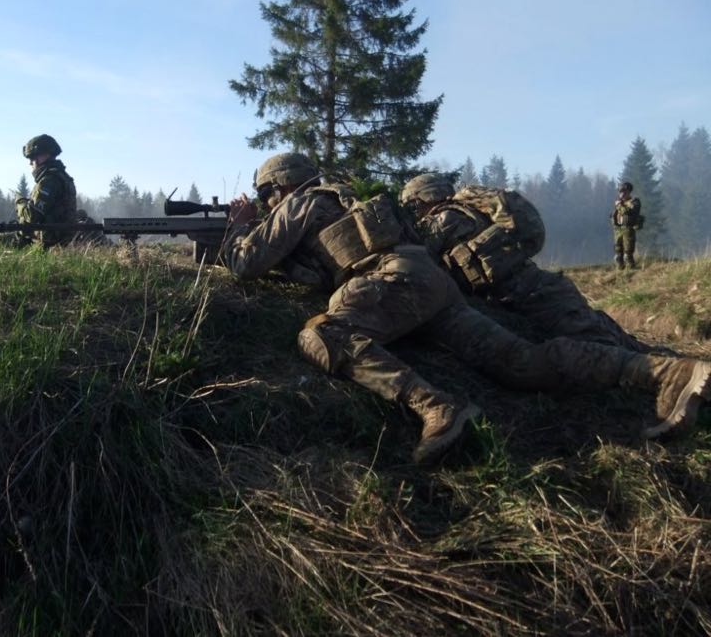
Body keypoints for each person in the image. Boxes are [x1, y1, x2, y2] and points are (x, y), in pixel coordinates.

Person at [224, 153, 710, 464]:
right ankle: (665, 372)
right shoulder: (345, 201)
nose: (268, 204)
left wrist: (240, 225)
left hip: (392, 282)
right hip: (428, 285)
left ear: (279, 188)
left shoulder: (300, 203)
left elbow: (246, 263)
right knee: (523, 363)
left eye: (267, 196)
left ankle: (436, 407)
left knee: (321, 334)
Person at [399, 173, 649, 352]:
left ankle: (660, 370)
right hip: (541, 285)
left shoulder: (444, 220)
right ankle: (653, 355)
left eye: (413, 205)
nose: (414, 212)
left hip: (529, 294)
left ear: (422, 199)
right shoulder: (470, 212)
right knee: (601, 328)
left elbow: (415, 254)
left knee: (601, 346)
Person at [12, 133, 78, 248]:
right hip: (59, 241)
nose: (31, 162)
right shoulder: (62, 177)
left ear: (45, 155)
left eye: (33, 157)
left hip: (48, 244)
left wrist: (20, 202)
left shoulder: (49, 181)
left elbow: (32, 216)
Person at [611, 181, 643, 270]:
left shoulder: (634, 202)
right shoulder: (619, 202)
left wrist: (620, 205)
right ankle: (620, 270)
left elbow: (628, 211)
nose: (622, 194)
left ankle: (631, 270)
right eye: (620, 192)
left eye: (624, 191)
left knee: (627, 253)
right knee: (618, 253)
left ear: (629, 192)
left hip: (628, 229)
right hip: (618, 229)